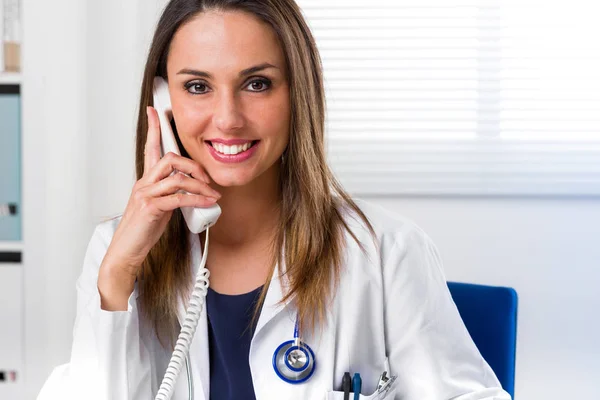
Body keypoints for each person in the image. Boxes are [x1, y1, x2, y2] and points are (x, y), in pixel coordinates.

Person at [38, 0, 511, 399]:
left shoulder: (386, 251)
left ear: (298, 92)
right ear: (164, 101)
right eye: (197, 87)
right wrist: (118, 275)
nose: (227, 119)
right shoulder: (115, 250)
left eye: (257, 83)